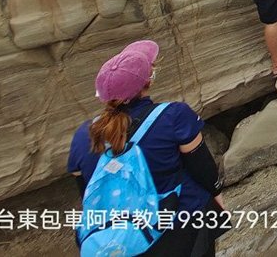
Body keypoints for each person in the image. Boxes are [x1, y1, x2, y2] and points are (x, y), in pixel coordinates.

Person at [69, 40, 224, 256]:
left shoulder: (82, 136)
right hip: (177, 227)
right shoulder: (173, 115)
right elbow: (203, 168)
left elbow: (86, 191)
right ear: (147, 83)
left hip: (118, 239)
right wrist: (217, 194)